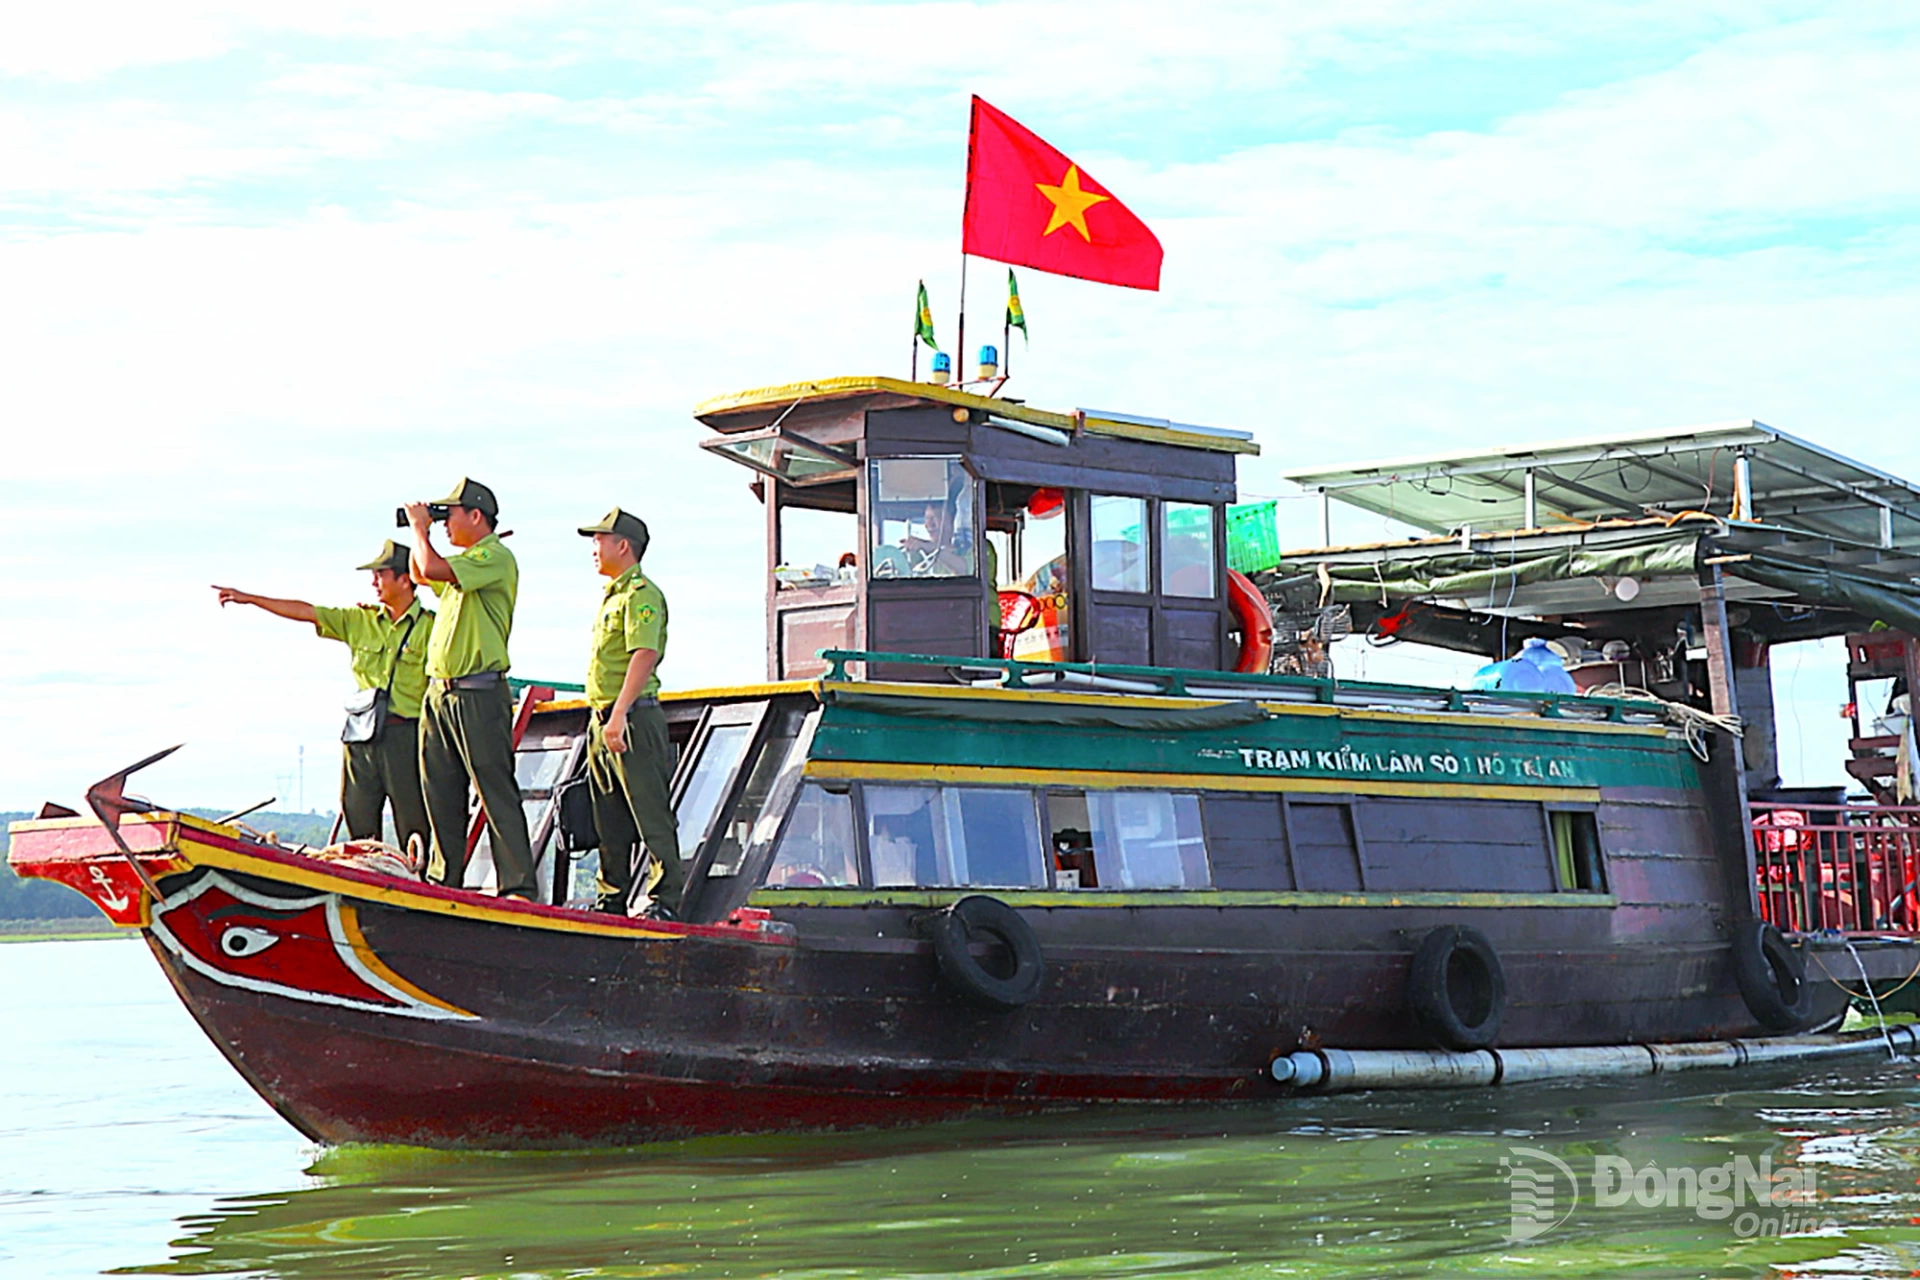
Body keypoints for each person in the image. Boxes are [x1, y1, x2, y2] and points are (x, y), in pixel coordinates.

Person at [212, 541, 434, 851]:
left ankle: (417, 886)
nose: (373, 582)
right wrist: (250, 599)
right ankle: (363, 887)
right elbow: (306, 611)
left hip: (406, 735)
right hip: (361, 735)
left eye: (380, 574)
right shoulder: (360, 620)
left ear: (405, 579)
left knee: (415, 824)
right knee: (359, 823)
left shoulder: (431, 627)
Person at [403, 478, 537, 900]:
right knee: (440, 790)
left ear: (476, 516)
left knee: (493, 789)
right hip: (441, 693)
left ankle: (517, 885)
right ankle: (445, 881)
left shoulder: (493, 557)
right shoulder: (465, 565)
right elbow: (421, 574)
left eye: (450, 515)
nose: (444, 525)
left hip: (478, 693)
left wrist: (421, 529)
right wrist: (417, 532)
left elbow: (433, 569)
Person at [578, 507, 681, 917]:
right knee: (609, 819)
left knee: (650, 813)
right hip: (603, 720)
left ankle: (664, 900)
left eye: (600, 539)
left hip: (632, 717)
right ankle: (611, 900)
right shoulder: (614, 595)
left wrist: (619, 713)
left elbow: (644, 653)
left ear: (623, 545)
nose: (594, 548)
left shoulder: (642, 595)